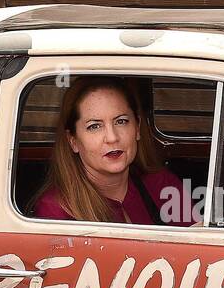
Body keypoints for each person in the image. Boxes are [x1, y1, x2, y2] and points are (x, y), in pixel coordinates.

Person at [30, 77, 196, 226]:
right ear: (73, 140)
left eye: (121, 121)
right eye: (94, 126)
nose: (111, 137)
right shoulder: (55, 211)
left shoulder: (162, 185)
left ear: (137, 128)